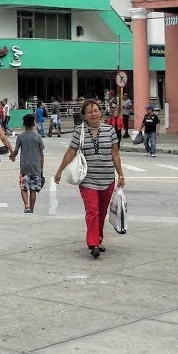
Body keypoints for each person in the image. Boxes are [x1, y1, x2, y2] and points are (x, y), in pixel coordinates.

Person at [54, 99, 125, 259]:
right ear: (84, 116)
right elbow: (70, 152)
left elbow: (115, 154)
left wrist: (120, 174)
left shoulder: (110, 130)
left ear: (100, 112)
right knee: (92, 211)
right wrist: (59, 171)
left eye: (96, 110)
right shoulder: (79, 131)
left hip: (107, 178)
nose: (93, 114)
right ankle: (93, 243)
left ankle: (98, 239)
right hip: (87, 179)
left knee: (101, 212)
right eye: (89, 112)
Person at [9, 113, 45, 213]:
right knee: (33, 189)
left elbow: (16, 151)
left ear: (23, 124)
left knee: (24, 187)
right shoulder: (38, 137)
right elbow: (41, 155)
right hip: (36, 167)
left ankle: (26, 206)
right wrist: (41, 169)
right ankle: (32, 209)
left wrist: (12, 156)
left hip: (24, 167)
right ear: (34, 124)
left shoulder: (21, 137)